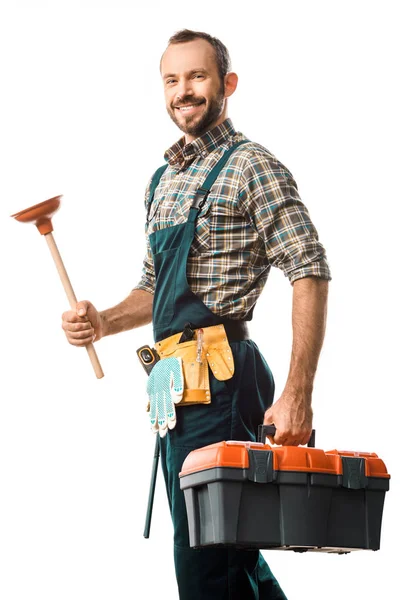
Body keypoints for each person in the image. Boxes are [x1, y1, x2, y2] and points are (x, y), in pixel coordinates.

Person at [62, 29, 330, 600]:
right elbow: (153, 287)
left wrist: (298, 390)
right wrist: (102, 320)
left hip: (226, 379)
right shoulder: (163, 181)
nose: (184, 90)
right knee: (226, 552)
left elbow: (308, 266)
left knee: (208, 560)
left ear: (227, 84)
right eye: (172, 79)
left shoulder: (250, 166)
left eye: (198, 76)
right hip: (175, 387)